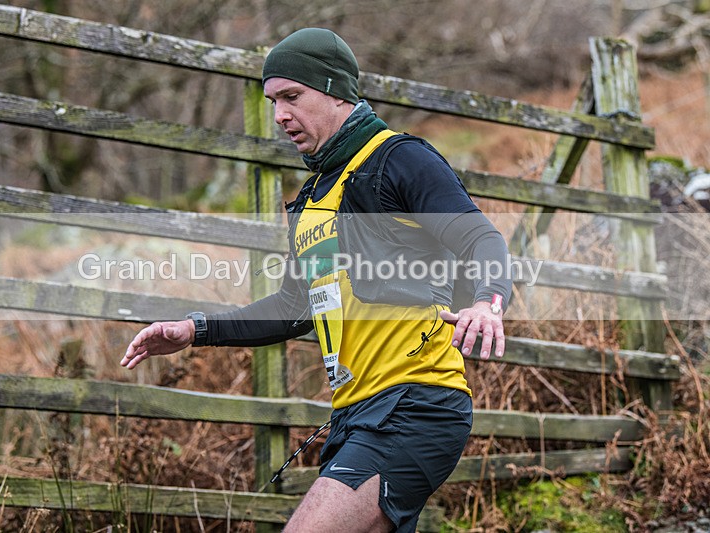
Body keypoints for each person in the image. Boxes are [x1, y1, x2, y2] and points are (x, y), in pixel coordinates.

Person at [121, 27, 512, 533]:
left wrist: (488, 302)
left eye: (292, 96)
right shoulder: (311, 198)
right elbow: (293, 307)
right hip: (354, 415)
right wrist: (194, 329)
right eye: (273, 101)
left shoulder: (398, 159)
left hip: (414, 405)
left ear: (336, 91)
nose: (280, 115)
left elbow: (482, 240)